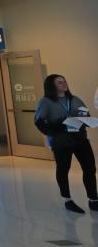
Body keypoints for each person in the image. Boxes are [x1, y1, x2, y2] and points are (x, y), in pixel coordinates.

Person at [34, 74, 97, 213]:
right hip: (61, 142)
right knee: (63, 169)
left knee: (90, 168)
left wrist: (84, 120)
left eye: (64, 81)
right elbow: (39, 122)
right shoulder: (45, 102)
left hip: (80, 139)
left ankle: (93, 199)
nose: (64, 84)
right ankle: (67, 200)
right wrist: (55, 131)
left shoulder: (75, 99)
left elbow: (85, 115)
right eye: (59, 82)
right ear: (52, 85)